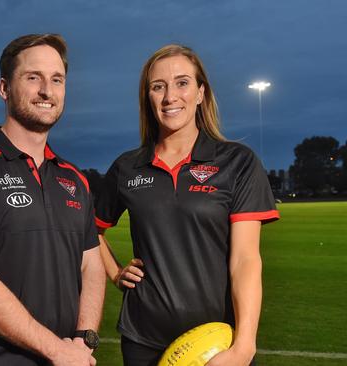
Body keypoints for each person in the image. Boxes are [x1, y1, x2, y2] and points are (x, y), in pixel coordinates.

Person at [95, 44, 279, 365]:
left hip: (215, 343)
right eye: (158, 86)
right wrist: (114, 273)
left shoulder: (237, 162)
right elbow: (89, 228)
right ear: (147, 97)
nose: (170, 97)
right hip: (143, 338)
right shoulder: (128, 167)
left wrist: (244, 345)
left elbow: (246, 260)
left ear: (200, 93)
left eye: (182, 83)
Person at [0, 33, 106, 366]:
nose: (47, 91)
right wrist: (58, 351)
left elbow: (92, 266)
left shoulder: (75, 179)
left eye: (57, 79)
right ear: (4, 88)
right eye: (33, 78)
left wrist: (83, 342)